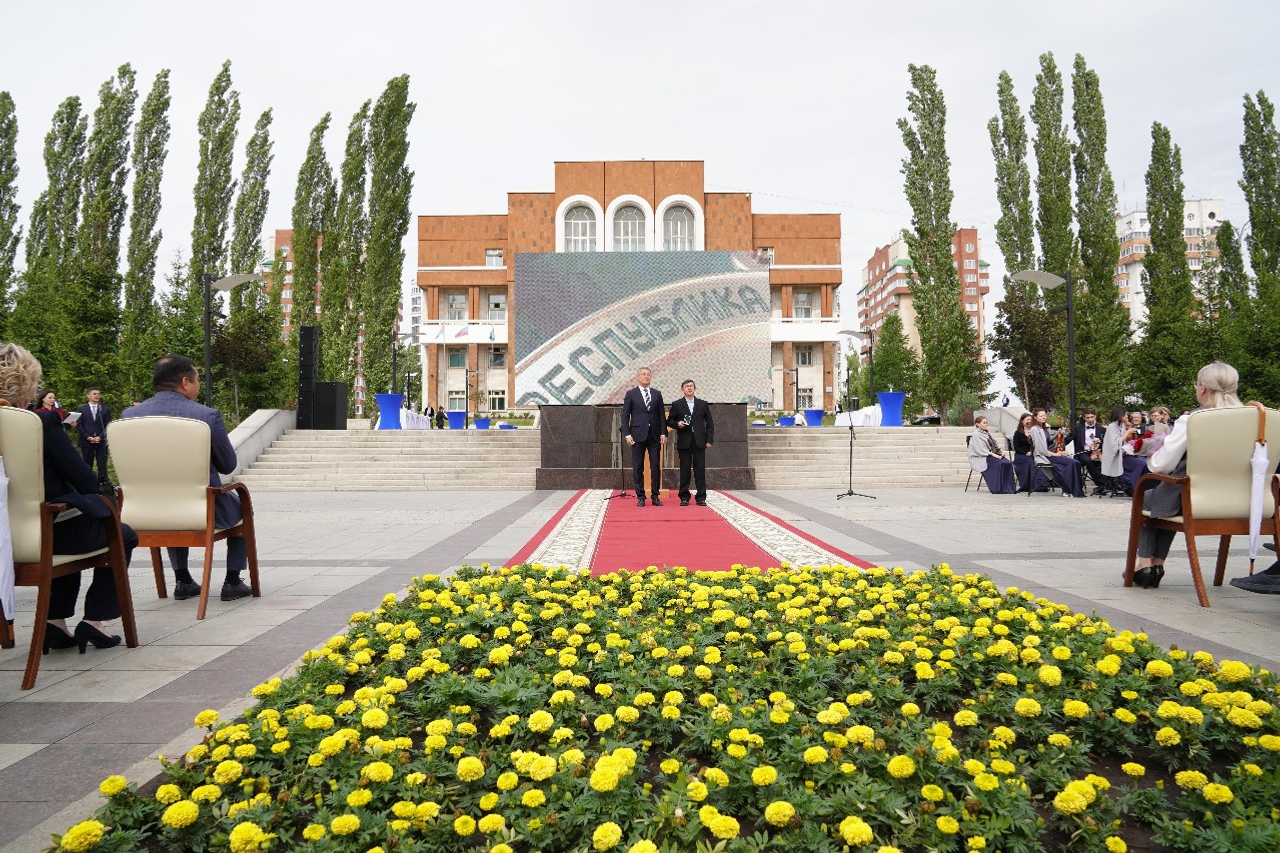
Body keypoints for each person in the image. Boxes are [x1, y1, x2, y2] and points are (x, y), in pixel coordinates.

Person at [0, 343, 138, 653]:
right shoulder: (40, 423)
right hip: (48, 532)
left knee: (67, 522)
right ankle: (95, 620)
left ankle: (55, 623)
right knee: (122, 534)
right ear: (28, 382)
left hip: (6, 540)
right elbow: (84, 479)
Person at [122, 355, 252, 602]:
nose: (198, 386)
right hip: (203, 508)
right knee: (242, 508)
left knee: (172, 498)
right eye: (197, 380)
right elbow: (228, 464)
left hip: (145, 511)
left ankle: (182, 580)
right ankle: (233, 581)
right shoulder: (206, 416)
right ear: (185, 382)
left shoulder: (129, 416)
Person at [1133, 361, 1244, 590]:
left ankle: (1146, 564)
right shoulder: (1255, 418)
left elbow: (1161, 466)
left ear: (1202, 388)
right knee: (1166, 497)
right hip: (1243, 501)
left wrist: (1150, 454)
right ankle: (1155, 564)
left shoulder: (1194, 419)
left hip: (1195, 500)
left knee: (1149, 497)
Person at [620, 366, 666, 507]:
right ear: (638, 377)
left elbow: (661, 414)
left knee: (655, 466)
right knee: (638, 466)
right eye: (643, 374)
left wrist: (663, 432)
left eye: (648, 374)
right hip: (637, 435)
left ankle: (655, 496)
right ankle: (640, 496)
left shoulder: (657, 394)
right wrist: (627, 434)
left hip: (654, 435)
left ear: (651, 377)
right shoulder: (631, 394)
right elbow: (625, 415)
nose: (646, 376)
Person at [665, 379, 714, 506]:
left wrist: (709, 440)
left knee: (700, 470)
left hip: (699, 441)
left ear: (695, 389)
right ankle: (684, 497)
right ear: (682, 389)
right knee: (685, 470)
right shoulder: (677, 404)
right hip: (684, 441)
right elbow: (669, 421)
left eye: (691, 386)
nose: (689, 388)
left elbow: (709, 423)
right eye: (686, 386)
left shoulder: (702, 404)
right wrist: (677, 423)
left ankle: (701, 497)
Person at [1032, 408, 1085, 497]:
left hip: (1050, 454)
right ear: (1035, 417)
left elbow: (1054, 438)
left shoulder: (1044, 428)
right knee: (1071, 463)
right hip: (1044, 456)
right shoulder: (1034, 429)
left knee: (1076, 462)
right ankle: (1068, 490)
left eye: (1044, 415)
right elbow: (1040, 448)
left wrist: (1060, 451)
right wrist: (1055, 454)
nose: (1043, 417)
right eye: (1041, 416)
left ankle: (1075, 490)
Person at [968, 415, 1016, 493]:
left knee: (1007, 463)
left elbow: (994, 444)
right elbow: (980, 450)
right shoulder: (976, 434)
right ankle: (998, 488)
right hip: (981, 457)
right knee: (999, 463)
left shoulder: (986, 433)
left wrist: (1000, 453)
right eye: (984, 423)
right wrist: (993, 454)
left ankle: (1008, 487)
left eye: (986, 423)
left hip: (990, 454)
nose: (986, 424)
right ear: (977, 424)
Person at [74, 386, 111, 483]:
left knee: (102, 464)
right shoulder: (81, 409)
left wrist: (100, 436)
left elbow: (107, 425)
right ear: (88, 395)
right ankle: (88, 482)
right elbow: (79, 425)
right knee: (87, 464)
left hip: (101, 441)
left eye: (98, 394)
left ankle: (103, 482)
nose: (97, 396)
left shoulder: (104, 409)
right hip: (87, 441)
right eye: (94, 394)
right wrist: (88, 437)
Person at [1067, 406, 1104, 489]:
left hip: (1098, 452)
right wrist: (1060, 448)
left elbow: (1107, 443)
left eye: (1092, 417)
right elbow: (1067, 440)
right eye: (1087, 417)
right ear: (1084, 418)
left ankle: (1108, 484)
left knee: (1107, 460)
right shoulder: (1077, 429)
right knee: (1088, 460)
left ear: (1095, 416)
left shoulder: (1101, 429)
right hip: (1082, 453)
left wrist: (1100, 441)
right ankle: (1101, 484)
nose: (1090, 419)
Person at [1011, 412, 1046, 493]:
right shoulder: (1017, 433)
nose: (1029, 421)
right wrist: (1025, 453)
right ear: (1022, 421)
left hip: (1033, 454)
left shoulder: (1034, 431)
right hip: (1021, 455)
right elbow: (1016, 447)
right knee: (1030, 462)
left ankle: (1039, 484)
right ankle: (1027, 485)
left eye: (1030, 420)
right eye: (1027, 420)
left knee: (1037, 460)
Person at [1099, 404, 1129, 496]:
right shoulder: (1112, 426)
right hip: (1115, 455)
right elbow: (1114, 444)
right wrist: (1128, 432)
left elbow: (1124, 442)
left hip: (1123, 452)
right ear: (1121, 415)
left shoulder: (1122, 426)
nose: (1127, 416)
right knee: (1138, 464)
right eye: (1125, 414)